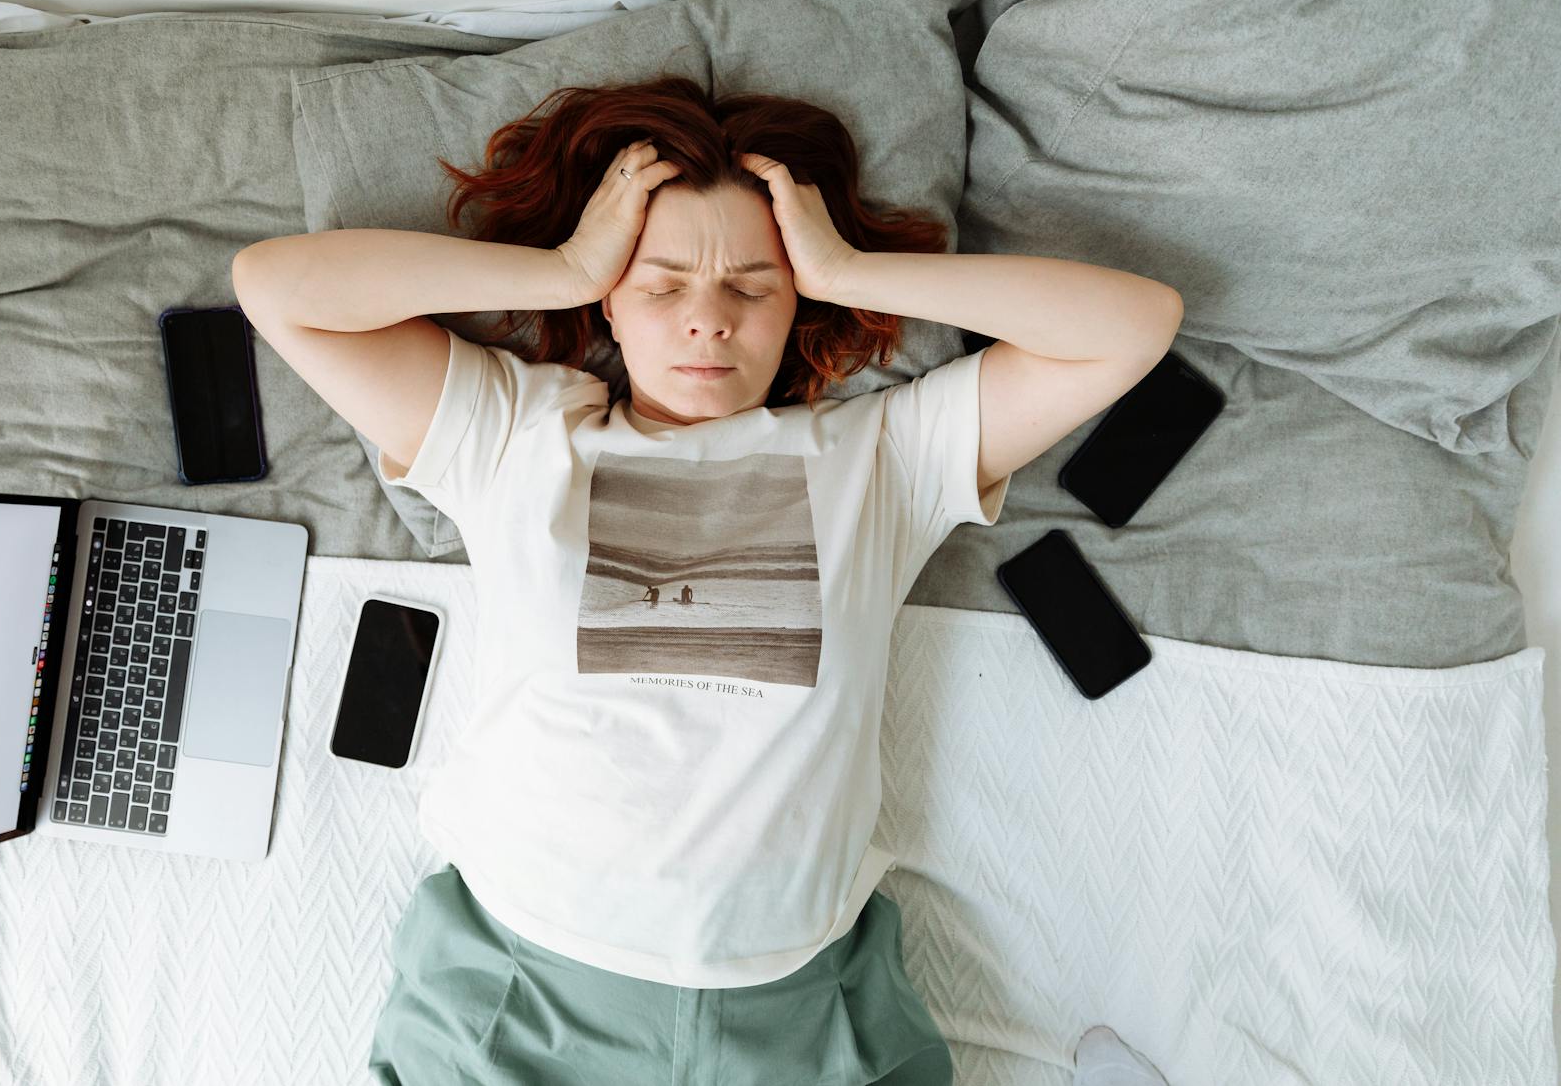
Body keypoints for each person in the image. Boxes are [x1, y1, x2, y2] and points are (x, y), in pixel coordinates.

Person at [233, 76, 1185, 1084]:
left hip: (795, 1010)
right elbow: (277, 288)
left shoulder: (882, 456)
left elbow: (1131, 322)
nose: (707, 320)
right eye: (662, 281)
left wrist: (850, 265)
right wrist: (555, 268)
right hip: (524, 991)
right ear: (609, 294)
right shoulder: (516, 431)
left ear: (796, 303)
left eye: (750, 285)